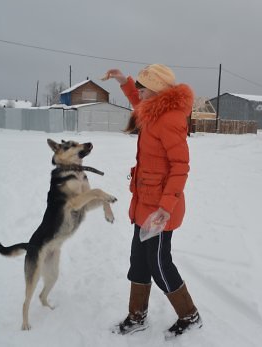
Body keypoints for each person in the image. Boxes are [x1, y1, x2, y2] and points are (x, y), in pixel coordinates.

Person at [103, 64, 202, 338]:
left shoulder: (170, 119)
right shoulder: (152, 111)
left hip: (160, 209)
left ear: (156, 91)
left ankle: (189, 315)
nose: (139, 92)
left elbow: (180, 167)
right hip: (145, 202)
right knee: (138, 261)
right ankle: (137, 316)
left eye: (143, 87)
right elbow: (137, 101)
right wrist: (125, 82)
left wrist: (165, 208)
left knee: (159, 264)